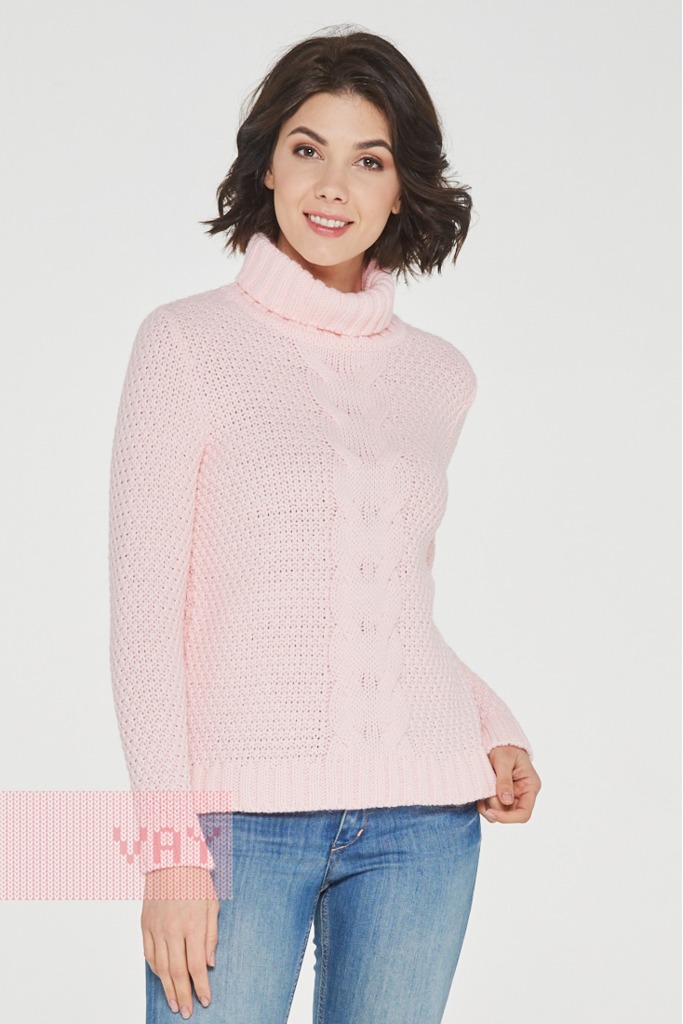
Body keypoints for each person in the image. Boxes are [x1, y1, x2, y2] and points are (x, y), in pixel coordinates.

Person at [108, 24, 542, 1024]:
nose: (331, 185)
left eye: (368, 159)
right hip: (235, 827)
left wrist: (491, 726)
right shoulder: (184, 343)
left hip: (422, 825)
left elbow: (383, 600)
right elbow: (144, 620)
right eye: (307, 148)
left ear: (402, 188)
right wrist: (166, 851)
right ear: (266, 163)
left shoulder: (440, 375)